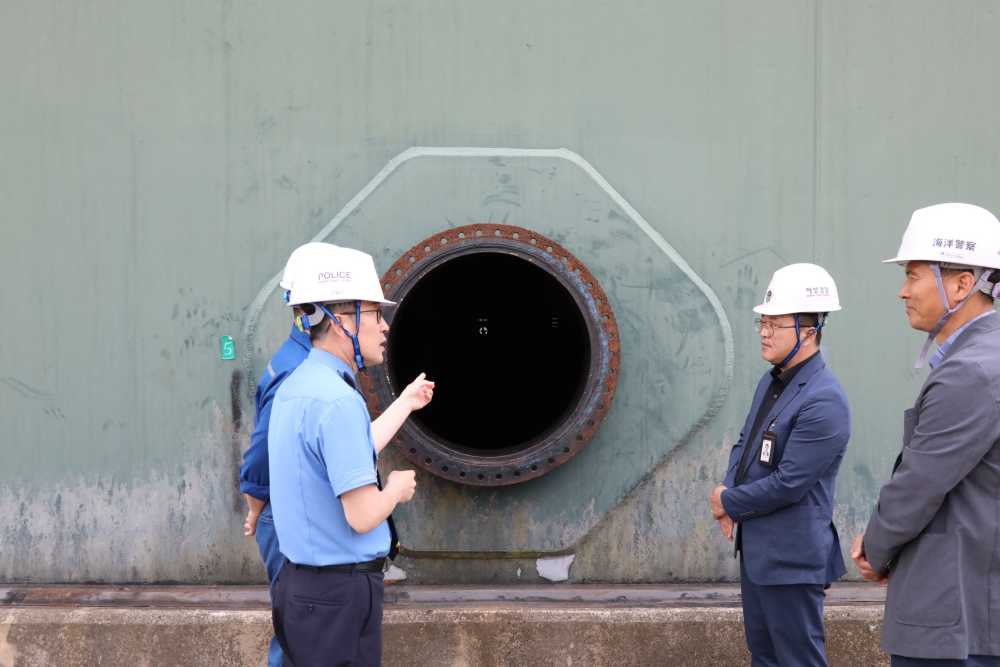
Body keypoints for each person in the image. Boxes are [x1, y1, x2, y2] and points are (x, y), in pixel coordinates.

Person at [239, 242, 433, 667]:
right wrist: (396, 488)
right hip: (338, 596)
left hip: (304, 589)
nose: (384, 327)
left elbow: (346, 452)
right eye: (375, 314)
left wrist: (405, 402)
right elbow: (362, 516)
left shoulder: (299, 384)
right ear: (341, 321)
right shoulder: (338, 401)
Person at [852, 202, 1000, 667]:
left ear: (962, 284)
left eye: (913, 276)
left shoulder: (971, 372)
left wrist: (875, 548)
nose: (903, 291)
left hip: (953, 616)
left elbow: (919, 483)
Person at [710, 263, 851, 667]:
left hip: (792, 561)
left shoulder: (824, 399)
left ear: (809, 330)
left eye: (775, 324)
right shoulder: (772, 381)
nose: (764, 332)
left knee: (798, 660)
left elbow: (790, 483)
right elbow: (745, 443)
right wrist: (728, 489)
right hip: (760, 555)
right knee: (766, 657)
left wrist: (728, 502)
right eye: (763, 322)